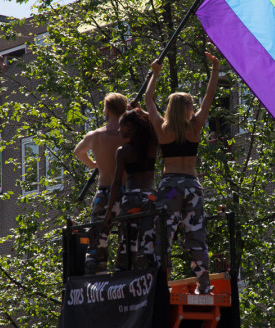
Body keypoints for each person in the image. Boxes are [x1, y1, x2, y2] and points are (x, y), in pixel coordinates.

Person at [145, 50, 220, 294]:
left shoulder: (162, 128)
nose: (194, 109)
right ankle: (204, 283)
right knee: (195, 235)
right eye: (191, 106)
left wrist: (154, 75)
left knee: (164, 235)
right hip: (192, 186)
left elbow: (148, 100)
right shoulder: (195, 127)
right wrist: (215, 68)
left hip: (170, 187)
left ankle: (162, 282)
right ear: (187, 109)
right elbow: (210, 95)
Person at [73, 92, 128, 274]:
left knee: (97, 240)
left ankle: (96, 278)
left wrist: (94, 164)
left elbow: (78, 152)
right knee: (127, 239)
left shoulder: (95, 136)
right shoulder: (129, 135)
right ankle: (124, 274)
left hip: (104, 193)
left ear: (107, 109)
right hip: (127, 193)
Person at [103, 108, 158, 271]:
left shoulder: (123, 152)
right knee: (148, 242)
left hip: (131, 199)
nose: (119, 130)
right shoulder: (152, 145)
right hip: (150, 198)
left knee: (127, 243)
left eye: (122, 127)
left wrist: (109, 212)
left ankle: (123, 276)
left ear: (131, 128)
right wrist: (140, 112)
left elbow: (116, 183)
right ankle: (149, 273)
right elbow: (153, 121)